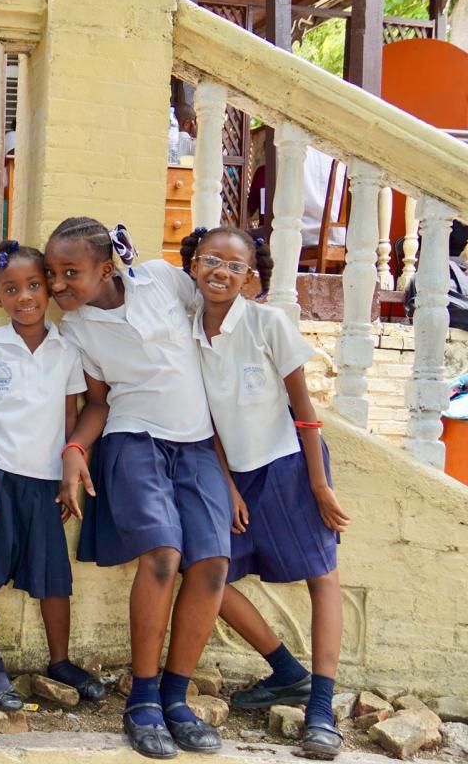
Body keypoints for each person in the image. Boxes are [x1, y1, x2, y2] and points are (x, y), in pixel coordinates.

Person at [50, 218, 231, 759]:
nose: (58, 285)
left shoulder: (161, 281)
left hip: (196, 443)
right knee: (162, 555)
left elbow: (216, 327)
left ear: (106, 268)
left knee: (213, 563)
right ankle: (144, 700)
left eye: (70, 273)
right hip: (135, 441)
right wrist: (76, 450)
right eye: (54, 274)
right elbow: (99, 402)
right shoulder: (75, 329)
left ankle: (177, 699)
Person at [183, 226, 348, 759]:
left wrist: (319, 485)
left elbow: (304, 410)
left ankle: (321, 706)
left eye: (234, 266)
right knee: (206, 573)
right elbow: (206, 422)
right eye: (210, 260)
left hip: (289, 465)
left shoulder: (266, 324)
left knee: (322, 576)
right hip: (234, 474)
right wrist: (227, 486)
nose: (220, 272)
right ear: (192, 266)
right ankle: (286, 671)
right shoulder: (184, 332)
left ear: (249, 277)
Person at [0, 240, 105, 711]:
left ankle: (60, 661)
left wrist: (68, 476)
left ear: (47, 289)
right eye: (11, 289)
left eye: (33, 286)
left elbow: (70, 419)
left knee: (52, 579)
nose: (24, 296)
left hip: (46, 481)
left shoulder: (66, 350)